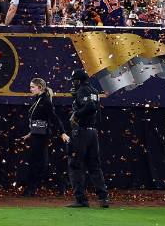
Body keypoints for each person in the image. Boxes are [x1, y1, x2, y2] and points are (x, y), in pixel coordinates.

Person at [66, 68, 108, 208]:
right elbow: (96, 111)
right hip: (93, 132)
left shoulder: (82, 90)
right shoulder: (95, 91)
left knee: (75, 165)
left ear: (78, 80)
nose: (73, 83)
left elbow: (90, 107)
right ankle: (103, 198)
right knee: (94, 166)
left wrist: (76, 114)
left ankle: (81, 200)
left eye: (74, 81)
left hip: (82, 132)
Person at [22, 77, 67, 196]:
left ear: (39, 87)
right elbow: (38, 120)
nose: (30, 89)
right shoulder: (38, 100)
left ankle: (33, 189)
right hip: (37, 135)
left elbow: (54, 118)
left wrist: (62, 132)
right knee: (40, 162)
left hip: (42, 136)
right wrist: (31, 133)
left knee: (39, 162)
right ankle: (60, 185)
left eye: (32, 87)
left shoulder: (45, 101)